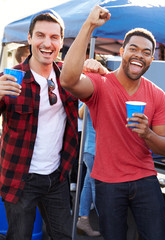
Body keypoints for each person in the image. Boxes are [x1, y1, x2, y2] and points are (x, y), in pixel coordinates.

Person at [60, 5, 165, 240]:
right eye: (133, 48)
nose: (139, 55)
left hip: (145, 179)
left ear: (151, 58)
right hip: (107, 182)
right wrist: (89, 25)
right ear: (122, 51)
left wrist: (147, 133)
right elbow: (68, 80)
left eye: (146, 52)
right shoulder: (100, 83)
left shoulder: (157, 95)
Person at [0, 10, 78, 240]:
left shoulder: (68, 76)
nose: (47, 43)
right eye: (40, 35)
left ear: (62, 42)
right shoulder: (11, 78)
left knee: (63, 235)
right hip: (20, 178)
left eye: (54, 37)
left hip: (57, 176)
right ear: (29, 38)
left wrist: (96, 65)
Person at [76, 102, 100, 237]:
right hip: (93, 149)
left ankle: (83, 220)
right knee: (97, 186)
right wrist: (89, 98)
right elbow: (81, 114)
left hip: (94, 148)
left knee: (88, 182)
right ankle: (107, 223)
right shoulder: (89, 88)